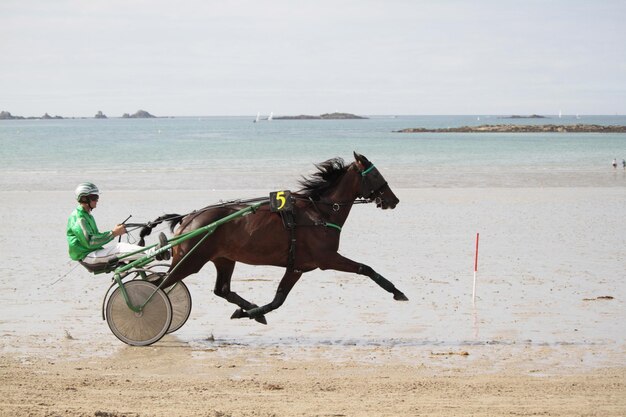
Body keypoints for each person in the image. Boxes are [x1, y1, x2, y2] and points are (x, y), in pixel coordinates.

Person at [66, 182, 150, 268]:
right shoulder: (79, 218)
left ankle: (152, 253)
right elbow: (90, 242)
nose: (97, 200)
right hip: (87, 256)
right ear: (84, 198)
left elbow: (96, 236)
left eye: (97, 197)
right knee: (120, 248)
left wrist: (115, 231)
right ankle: (154, 252)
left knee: (124, 248)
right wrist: (114, 233)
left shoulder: (87, 215)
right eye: (94, 197)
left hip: (93, 252)